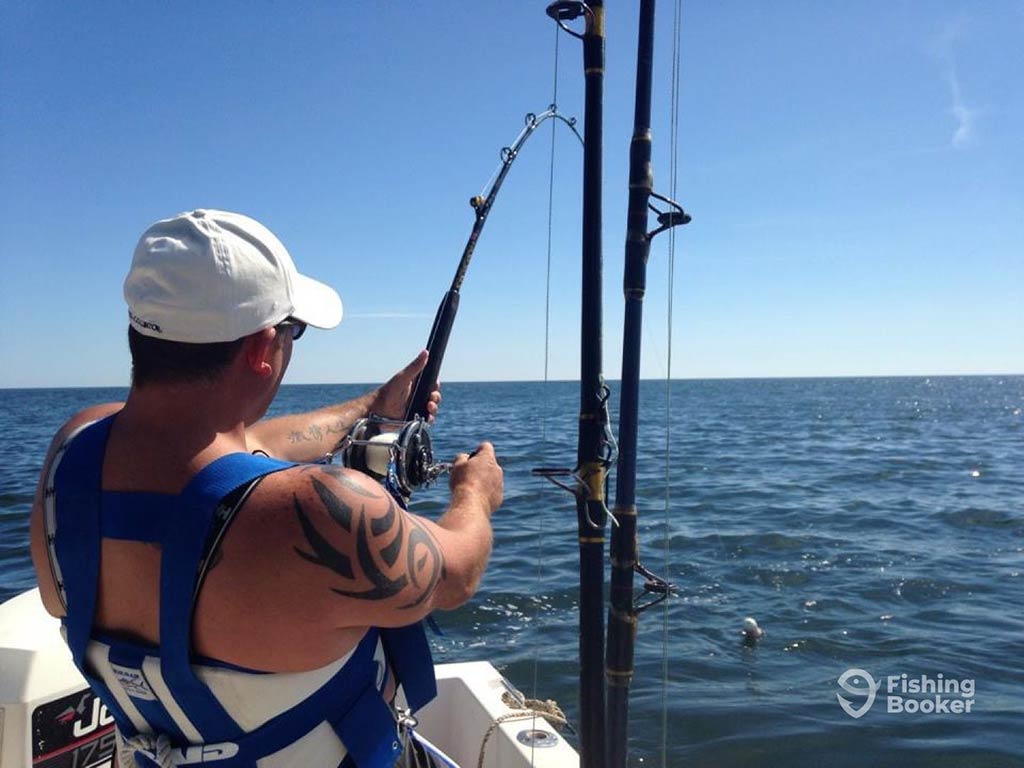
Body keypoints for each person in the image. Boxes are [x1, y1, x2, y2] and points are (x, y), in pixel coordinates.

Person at [28, 209, 503, 767]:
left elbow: (235, 453)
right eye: (291, 331)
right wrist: (476, 493)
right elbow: (457, 572)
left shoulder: (72, 452)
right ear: (261, 348)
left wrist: (373, 408)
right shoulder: (332, 512)